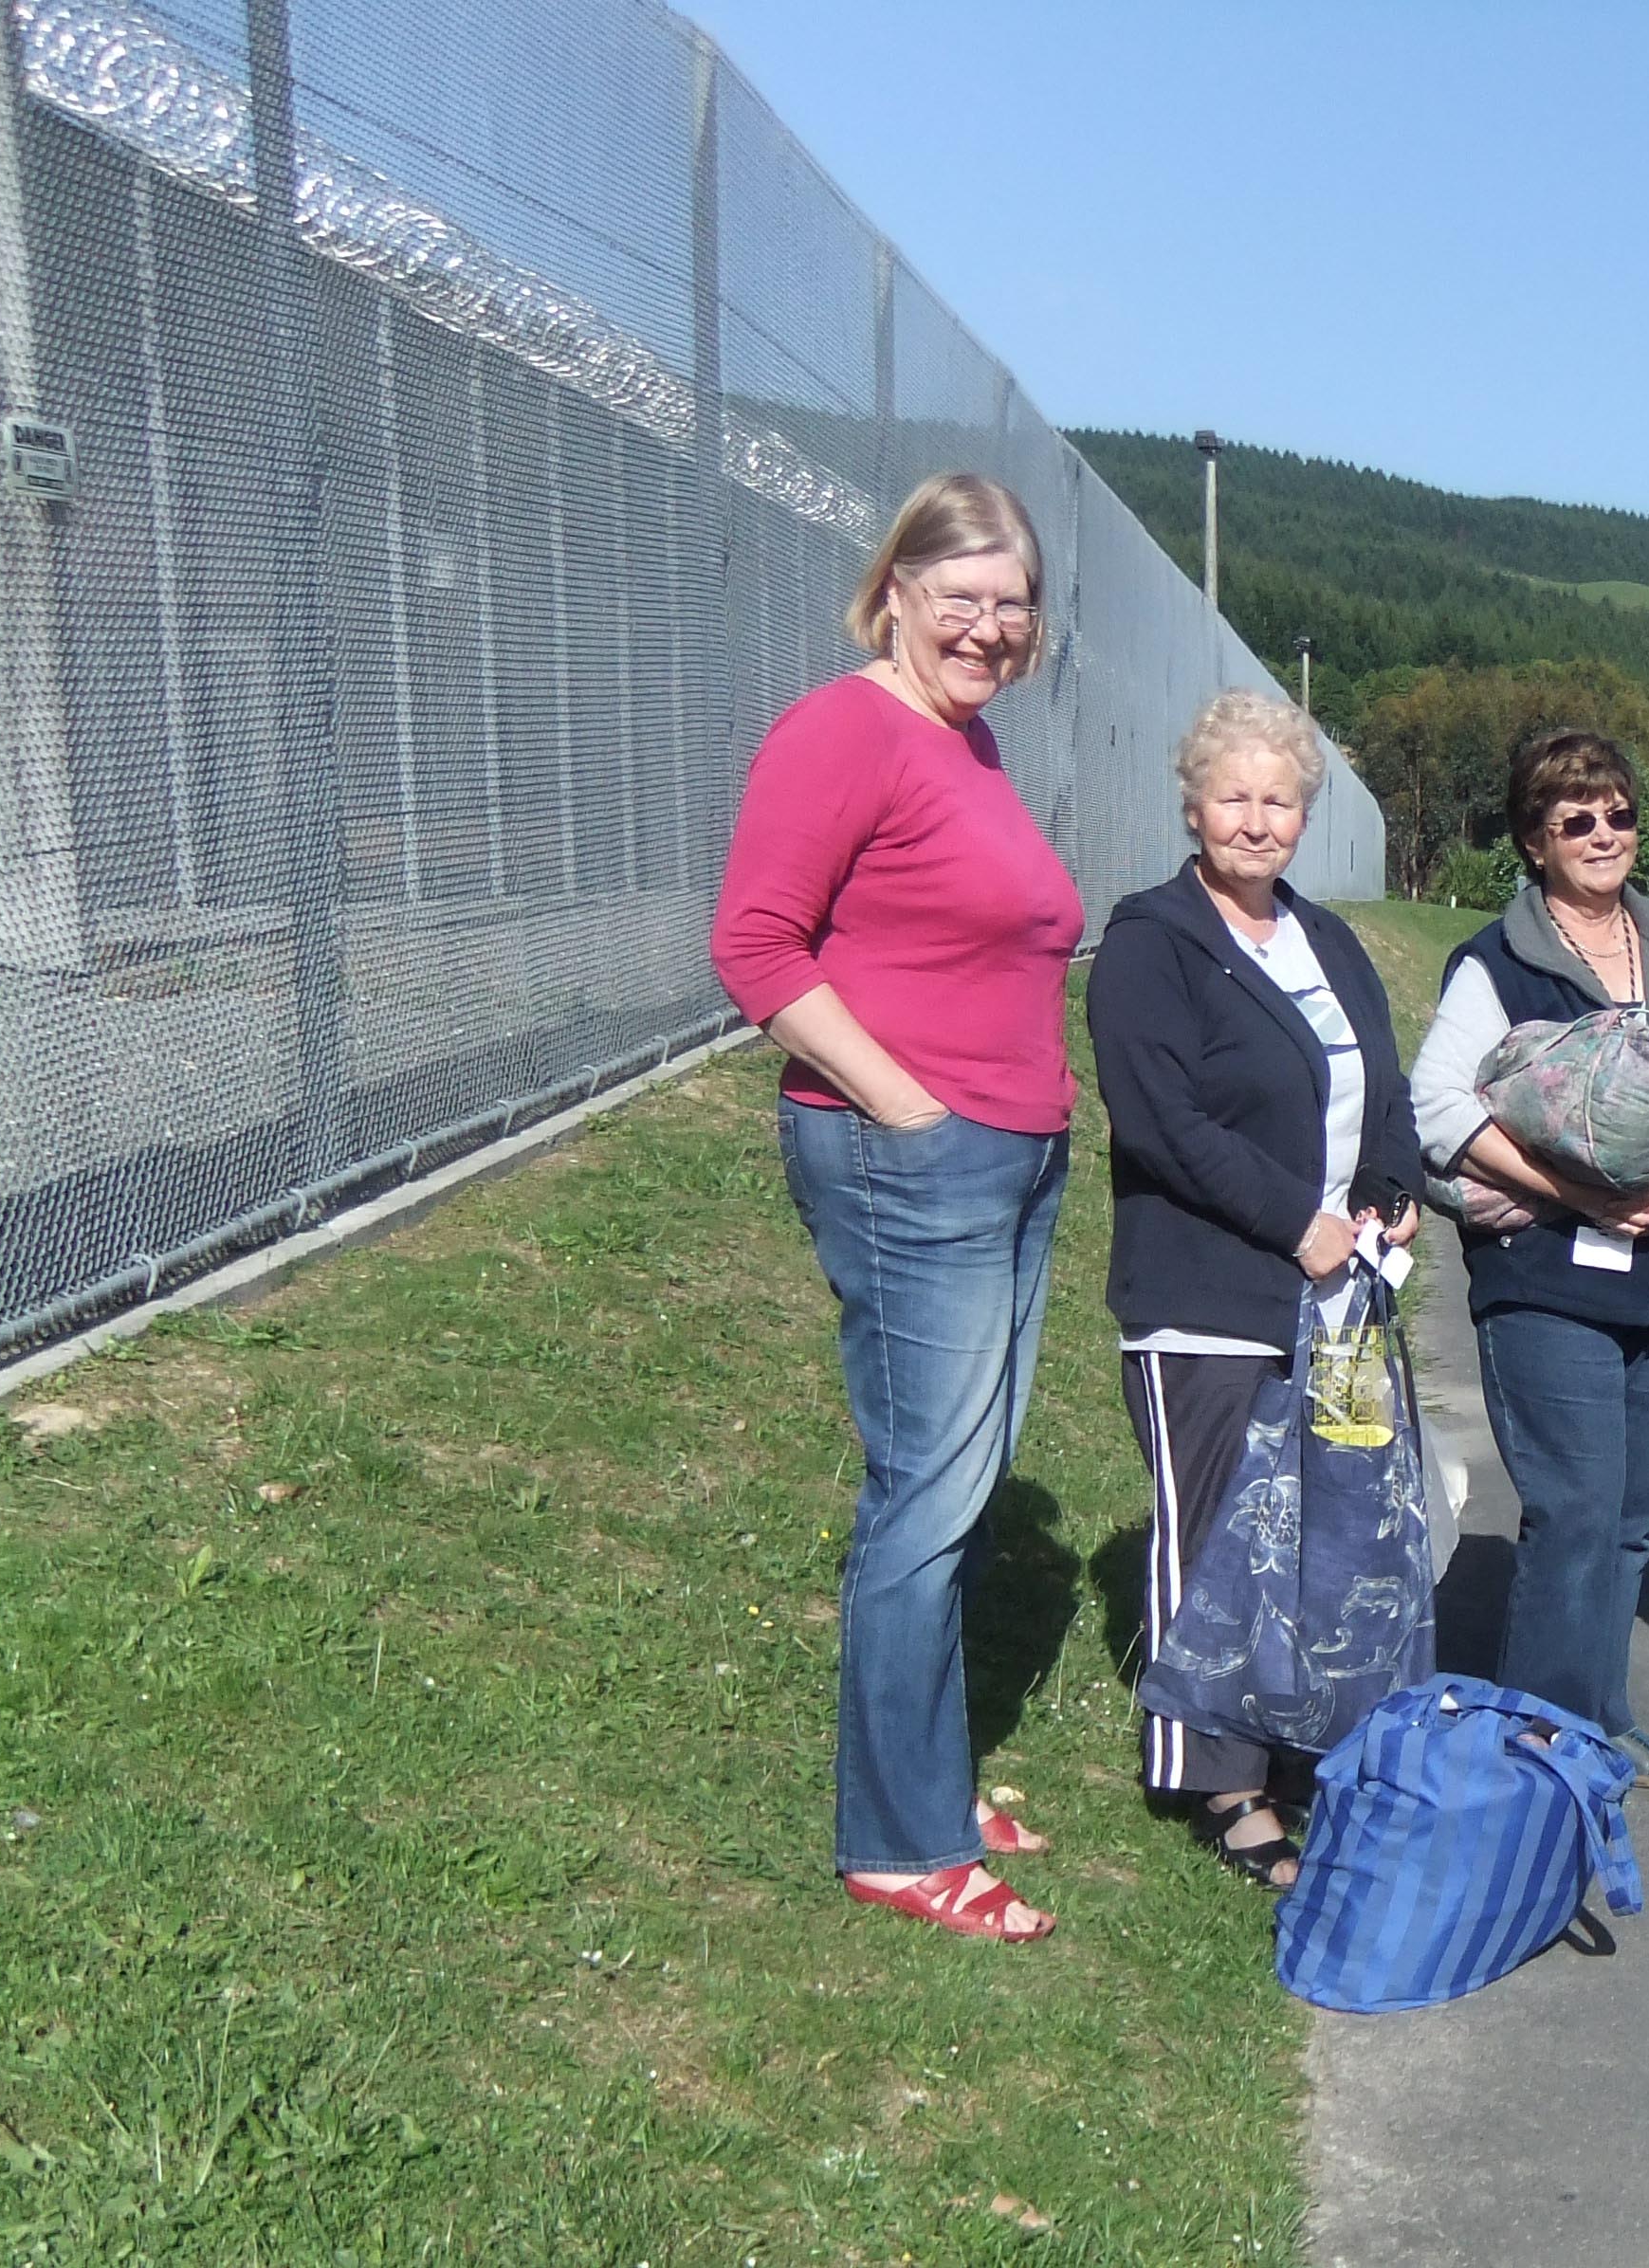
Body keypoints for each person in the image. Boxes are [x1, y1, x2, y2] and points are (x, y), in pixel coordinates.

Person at [710, 473, 1083, 1944]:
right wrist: (904, 1101)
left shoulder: (967, 743)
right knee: (925, 1495)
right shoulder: (843, 729)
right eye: (963, 598)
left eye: (1012, 604)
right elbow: (753, 944)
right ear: (897, 591)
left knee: (966, 1479)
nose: (988, 627)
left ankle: (928, 1776)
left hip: (1007, 1150)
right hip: (910, 1157)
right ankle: (895, 1838)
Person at [1089, 687, 1424, 1892]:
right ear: (1192, 803)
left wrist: (1390, 1186)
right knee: (1220, 1530)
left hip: (1335, 1298)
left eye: (1278, 798)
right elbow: (1162, 1121)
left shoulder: (1326, 940)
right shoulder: (1151, 940)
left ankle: (1293, 1748)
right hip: (1211, 1292)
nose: (1255, 819)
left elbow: (1380, 1083)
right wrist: (1297, 1223)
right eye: (1233, 795)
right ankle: (1219, 1782)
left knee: (1321, 1533)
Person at [1407, 729, 1649, 1790]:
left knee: (1629, 1523)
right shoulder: (1499, 961)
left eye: (1616, 814)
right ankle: (1540, 1747)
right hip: (1551, 1278)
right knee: (1572, 1513)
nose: (1602, 833)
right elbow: (1436, 1106)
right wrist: (1572, 1190)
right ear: (1533, 839)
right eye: (1575, 819)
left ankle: (1600, 1719)